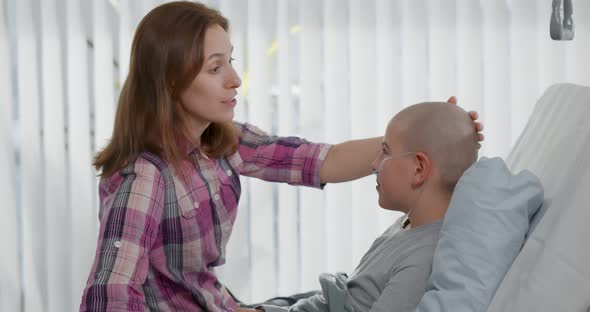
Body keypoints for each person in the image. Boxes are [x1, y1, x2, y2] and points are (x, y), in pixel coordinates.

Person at [79, 2, 483, 311]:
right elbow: (108, 293)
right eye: (215, 68)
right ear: (170, 79)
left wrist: (425, 137)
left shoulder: (224, 141)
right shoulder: (143, 177)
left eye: (230, 62)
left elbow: (322, 160)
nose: (235, 79)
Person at [242, 102, 479, 312]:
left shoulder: (424, 258)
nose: (374, 164)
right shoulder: (409, 224)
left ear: (419, 169)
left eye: (385, 152)